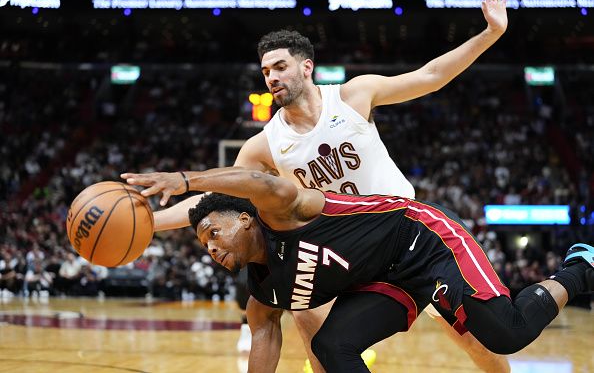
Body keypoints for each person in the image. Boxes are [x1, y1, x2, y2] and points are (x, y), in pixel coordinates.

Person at [135, 0, 511, 371]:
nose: (272, 77)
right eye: (266, 71)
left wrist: (490, 32)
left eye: (280, 66)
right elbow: (213, 200)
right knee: (306, 317)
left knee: (476, 342)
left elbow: (431, 74)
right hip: (346, 248)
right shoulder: (265, 145)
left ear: (306, 67)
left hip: (404, 234)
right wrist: (149, 223)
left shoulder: (353, 96)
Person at [122, 168, 593, 373]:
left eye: (213, 232)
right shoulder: (262, 290)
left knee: (504, 334)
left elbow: (260, 181)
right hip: (387, 280)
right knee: (330, 346)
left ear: (244, 217)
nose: (210, 247)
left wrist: (186, 182)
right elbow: (264, 340)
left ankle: (580, 267)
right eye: (203, 244)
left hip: (423, 240)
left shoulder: (284, 209)